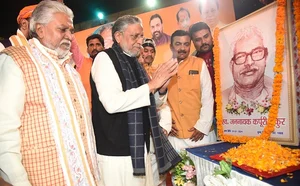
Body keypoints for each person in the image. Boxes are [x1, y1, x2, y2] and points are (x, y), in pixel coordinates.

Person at [0, 1, 100, 185]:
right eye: (63, 30)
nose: (70, 36)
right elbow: (4, 134)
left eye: (71, 30)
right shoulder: (16, 61)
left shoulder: (70, 68)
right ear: (40, 30)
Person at [91, 15, 181, 186]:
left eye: (141, 35)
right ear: (118, 36)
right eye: (135, 36)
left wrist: (160, 88)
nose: (140, 41)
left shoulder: (134, 62)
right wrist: (152, 85)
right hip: (116, 153)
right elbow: (112, 103)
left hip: (140, 147)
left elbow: (147, 101)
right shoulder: (105, 59)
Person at [160, 30, 216, 152]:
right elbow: (161, 101)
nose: (182, 48)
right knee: (179, 171)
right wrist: (167, 123)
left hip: (200, 133)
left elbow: (207, 97)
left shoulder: (199, 63)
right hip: (175, 135)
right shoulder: (164, 68)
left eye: (186, 44)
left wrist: (202, 126)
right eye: (178, 44)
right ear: (171, 46)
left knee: (206, 170)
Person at [222, 26, 273, 114]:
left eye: (256, 52)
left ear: (265, 58)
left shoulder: (284, 93)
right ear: (231, 66)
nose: (249, 62)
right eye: (240, 56)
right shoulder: (222, 99)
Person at [189, 22, 216, 124]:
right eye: (198, 39)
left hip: (228, 110)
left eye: (206, 36)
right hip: (204, 116)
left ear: (211, 34)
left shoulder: (225, 51)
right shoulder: (190, 62)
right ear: (193, 42)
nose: (203, 42)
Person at [77, 34, 104, 109]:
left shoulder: (110, 63)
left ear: (103, 48)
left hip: (109, 111)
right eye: (91, 45)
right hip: (89, 112)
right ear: (87, 49)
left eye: (98, 44)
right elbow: (73, 47)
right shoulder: (82, 63)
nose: (95, 48)